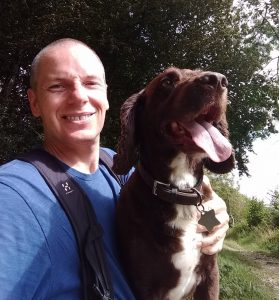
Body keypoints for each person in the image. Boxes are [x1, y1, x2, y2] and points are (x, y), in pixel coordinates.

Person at [0, 38, 229, 299]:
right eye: (57, 86)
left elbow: (189, 197)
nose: (79, 96)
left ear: (106, 96)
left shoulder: (124, 170)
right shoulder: (14, 195)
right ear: (34, 103)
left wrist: (215, 218)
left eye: (90, 83)